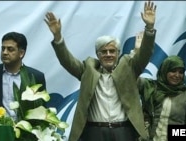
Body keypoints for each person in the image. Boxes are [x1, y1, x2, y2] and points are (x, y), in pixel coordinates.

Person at [44, 1, 157, 141]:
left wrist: (150, 28)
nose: (108, 54)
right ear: (98, 54)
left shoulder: (129, 67)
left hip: (123, 131)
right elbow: (67, 61)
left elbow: (145, 53)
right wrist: (58, 38)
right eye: (104, 51)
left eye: (112, 51)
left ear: (118, 53)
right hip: (94, 132)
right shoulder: (88, 69)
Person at [0, 32, 46, 122]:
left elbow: (42, 109)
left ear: (21, 53)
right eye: (3, 49)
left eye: (10, 49)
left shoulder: (35, 76)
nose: (5, 52)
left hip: (25, 131)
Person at [137, 55, 186, 141]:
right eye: (173, 71)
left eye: (181, 72)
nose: (177, 75)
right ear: (164, 70)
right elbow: (132, 78)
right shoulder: (151, 87)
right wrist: (136, 53)